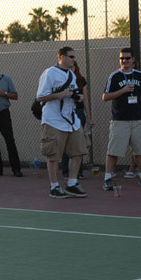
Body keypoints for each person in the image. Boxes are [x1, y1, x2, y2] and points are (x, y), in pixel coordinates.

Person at [101, 48, 141, 191]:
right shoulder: (115, 76)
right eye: (122, 59)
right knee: (114, 151)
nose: (124, 61)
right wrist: (123, 90)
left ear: (133, 60)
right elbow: (105, 97)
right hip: (120, 120)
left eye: (127, 58)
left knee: (140, 151)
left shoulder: (139, 75)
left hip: (137, 120)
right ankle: (108, 178)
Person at [36, 47, 88, 198]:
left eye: (74, 57)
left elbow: (71, 94)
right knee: (53, 155)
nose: (74, 59)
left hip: (71, 120)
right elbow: (40, 97)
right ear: (62, 57)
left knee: (78, 151)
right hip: (53, 120)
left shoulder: (71, 74)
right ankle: (54, 186)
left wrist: (76, 97)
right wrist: (61, 94)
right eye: (71, 57)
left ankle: (72, 183)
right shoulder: (49, 73)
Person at [60, 61, 92, 179]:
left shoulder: (80, 80)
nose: (71, 69)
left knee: (78, 143)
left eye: (72, 67)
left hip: (78, 114)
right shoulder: (61, 80)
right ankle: (66, 171)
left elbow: (85, 100)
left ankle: (78, 172)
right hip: (66, 114)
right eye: (69, 67)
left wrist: (88, 116)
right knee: (66, 142)